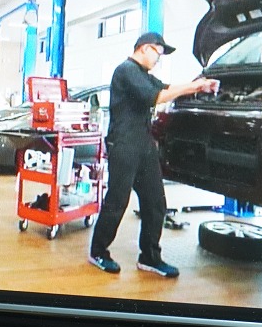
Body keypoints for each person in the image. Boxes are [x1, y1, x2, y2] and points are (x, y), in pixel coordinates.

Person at [88, 32, 219, 277]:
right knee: (117, 201)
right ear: (144, 48)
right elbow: (155, 97)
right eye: (158, 53)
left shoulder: (144, 75)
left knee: (156, 202)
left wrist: (199, 85)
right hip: (124, 145)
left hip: (144, 146)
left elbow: (167, 88)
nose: (159, 59)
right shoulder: (126, 70)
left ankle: (149, 257)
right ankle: (98, 252)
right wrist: (193, 86)